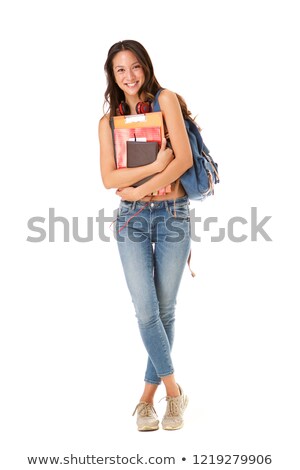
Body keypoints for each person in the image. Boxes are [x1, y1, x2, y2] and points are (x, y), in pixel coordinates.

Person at [98, 40, 194, 431]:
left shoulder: (166, 100)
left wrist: (137, 186)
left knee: (165, 310)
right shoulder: (108, 123)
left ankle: (144, 400)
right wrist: (154, 167)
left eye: (135, 67)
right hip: (131, 219)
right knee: (146, 310)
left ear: (146, 67)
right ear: (112, 75)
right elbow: (108, 179)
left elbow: (184, 159)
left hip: (172, 212)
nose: (130, 76)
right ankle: (174, 394)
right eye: (121, 70)